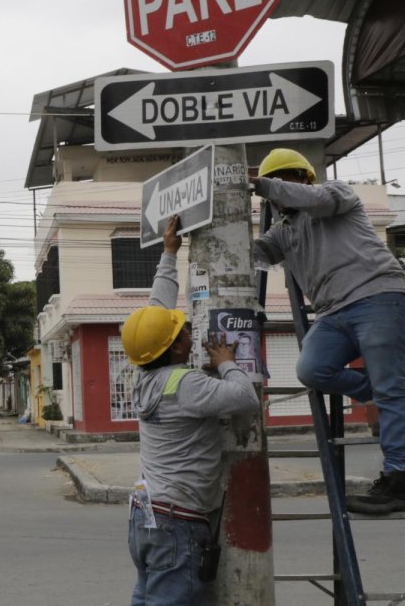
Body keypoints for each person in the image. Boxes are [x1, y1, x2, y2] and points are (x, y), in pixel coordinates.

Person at [249, 148, 405, 515]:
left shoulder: (335, 194)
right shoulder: (284, 232)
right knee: (311, 370)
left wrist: (261, 184)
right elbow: (254, 254)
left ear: (303, 178)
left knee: (391, 389)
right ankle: (384, 393)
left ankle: (398, 481)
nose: (280, 190)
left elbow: (313, 200)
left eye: (284, 180)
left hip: (379, 296)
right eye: (275, 184)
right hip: (332, 314)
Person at [125, 214, 262, 606]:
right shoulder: (186, 384)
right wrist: (226, 363)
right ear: (176, 349)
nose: (188, 332)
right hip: (177, 522)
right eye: (183, 332)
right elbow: (245, 398)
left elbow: (156, 311)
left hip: (145, 516)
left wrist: (169, 254)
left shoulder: (143, 374)